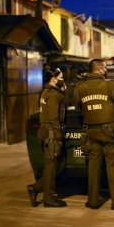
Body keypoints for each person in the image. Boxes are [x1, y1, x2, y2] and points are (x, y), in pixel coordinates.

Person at [73, 59, 114, 210]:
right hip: (110, 131)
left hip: (90, 131)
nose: (105, 71)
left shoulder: (80, 88)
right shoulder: (111, 85)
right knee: (112, 166)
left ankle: (92, 201)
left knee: (93, 166)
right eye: (104, 68)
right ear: (99, 69)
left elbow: (78, 109)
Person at [26, 68, 67, 207]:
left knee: (54, 164)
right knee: (51, 166)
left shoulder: (45, 91)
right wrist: (58, 135)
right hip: (51, 133)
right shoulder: (54, 94)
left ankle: (36, 188)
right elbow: (55, 117)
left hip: (44, 131)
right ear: (54, 79)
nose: (63, 79)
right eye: (61, 77)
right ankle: (48, 198)